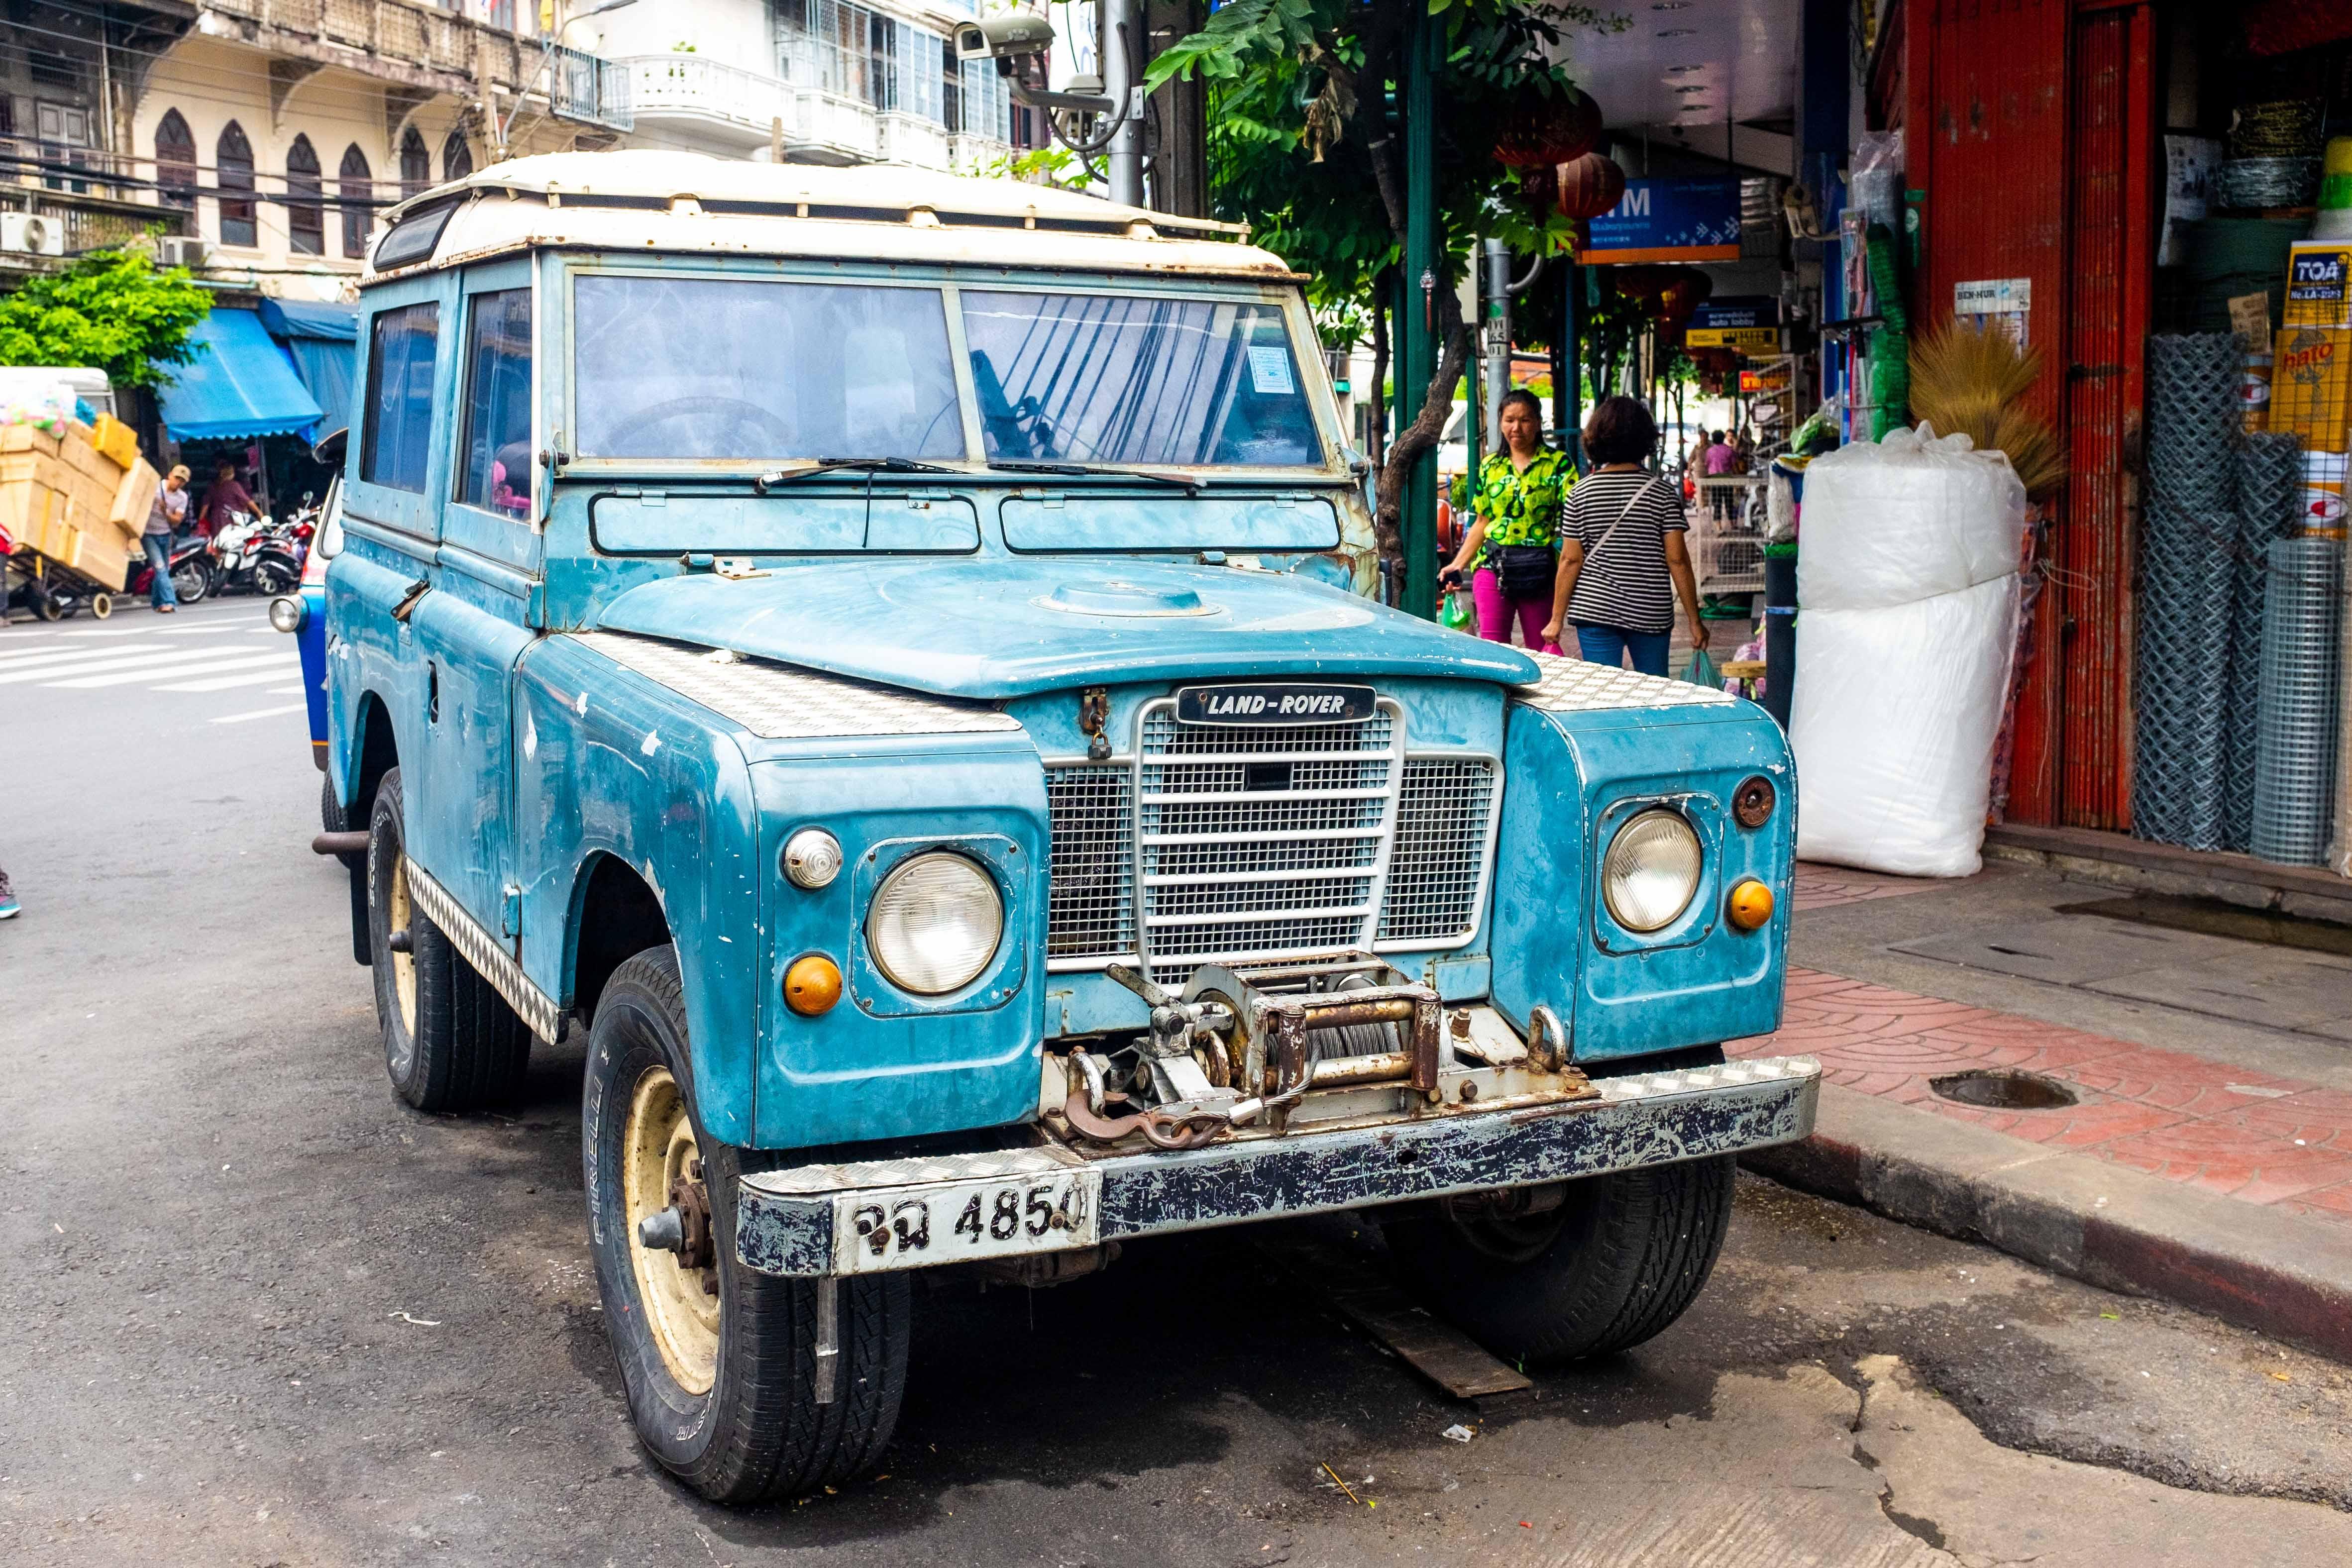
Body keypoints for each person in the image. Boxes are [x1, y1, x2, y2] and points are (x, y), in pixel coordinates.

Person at [1541, 395, 1706, 677]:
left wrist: (1557, 620)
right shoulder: (1662, 494)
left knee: (1605, 694)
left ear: (1596, 438)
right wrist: (1695, 620)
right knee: (1654, 693)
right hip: (1650, 609)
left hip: (1596, 610)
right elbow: (1677, 560)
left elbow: (1570, 560)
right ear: (1645, 439)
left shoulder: (1580, 494)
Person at [1437, 390, 1569, 652]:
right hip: (1492, 567)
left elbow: (1573, 521)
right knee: (1494, 650)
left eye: (1525, 420)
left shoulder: (1558, 464)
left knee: (1542, 650)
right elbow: (1482, 522)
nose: (1516, 428)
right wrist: (1456, 565)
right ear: (1500, 423)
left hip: (1539, 571)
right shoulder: (1490, 466)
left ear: (1538, 423)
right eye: (1509, 420)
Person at [142, 464, 190, 613]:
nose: (178, 482)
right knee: (160, 568)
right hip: (149, 535)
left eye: (182, 481)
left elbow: (177, 520)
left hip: (166, 535)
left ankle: (157, 603)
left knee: (163, 570)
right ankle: (170, 602)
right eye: (177, 478)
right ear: (170, 475)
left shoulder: (182, 497)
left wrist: (165, 512)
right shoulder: (155, 488)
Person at [197, 459, 258, 537]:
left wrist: (201, 521)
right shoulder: (234, 485)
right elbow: (247, 501)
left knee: (219, 541)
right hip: (231, 517)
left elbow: (205, 506)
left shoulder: (212, 487)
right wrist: (259, 513)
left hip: (216, 519)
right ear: (231, 473)